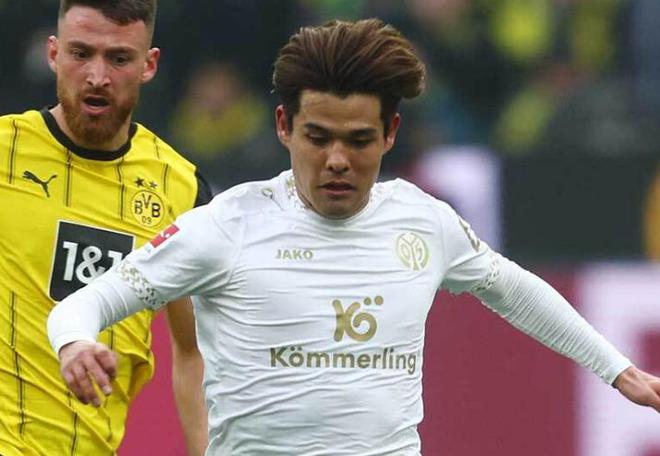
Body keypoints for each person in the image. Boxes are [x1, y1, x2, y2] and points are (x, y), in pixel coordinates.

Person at [47, 18, 660, 455]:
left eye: (359, 140)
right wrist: (75, 341)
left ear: (390, 133)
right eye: (318, 138)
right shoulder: (226, 226)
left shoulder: (425, 222)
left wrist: (618, 371)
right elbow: (88, 300)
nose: (337, 159)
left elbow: (513, 289)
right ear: (284, 126)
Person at [0, 1, 209, 455]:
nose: (97, 76)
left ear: (148, 64)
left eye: (118, 58)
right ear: (53, 54)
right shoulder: (4, 151)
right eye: (81, 54)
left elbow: (194, 353)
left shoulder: (182, 188)